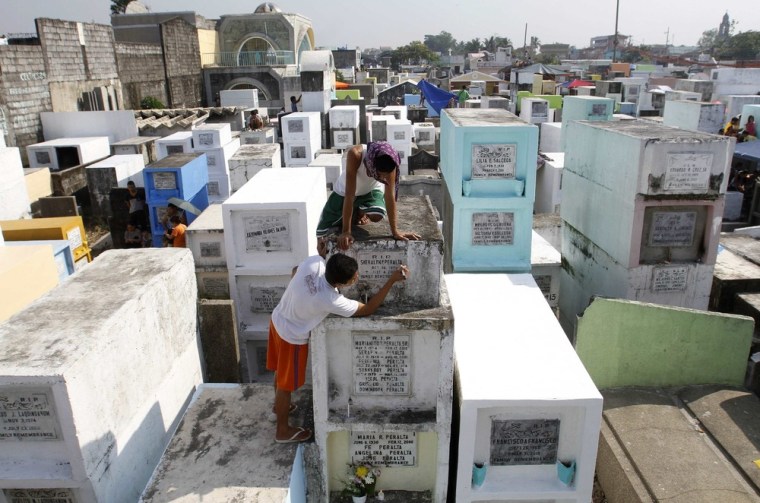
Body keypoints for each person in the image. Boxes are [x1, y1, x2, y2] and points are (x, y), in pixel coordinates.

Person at [267, 239, 410, 443]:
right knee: (285, 385)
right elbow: (367, 310)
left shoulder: (314, 263)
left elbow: (294, 271)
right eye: (354, 278)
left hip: (278, 319)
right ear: (342, 284)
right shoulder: (330, 300)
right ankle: (282, 430)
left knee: (280, 372)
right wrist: (392, 280)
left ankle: (278, 406)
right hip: (292, 335)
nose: (357, 278)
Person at [316, 141, 421, 250]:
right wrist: (346, 232)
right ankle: (356, 212)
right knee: (324, 236)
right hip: (344, 193)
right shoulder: (356, 154)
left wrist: (395, 231)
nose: (383, 178)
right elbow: (350, 195)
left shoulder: (390, 161)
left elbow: (390, 196)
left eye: (385, 176)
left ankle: (360, 212)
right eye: (379, 175)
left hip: (369, 191)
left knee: (378, 214)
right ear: (371, 164)